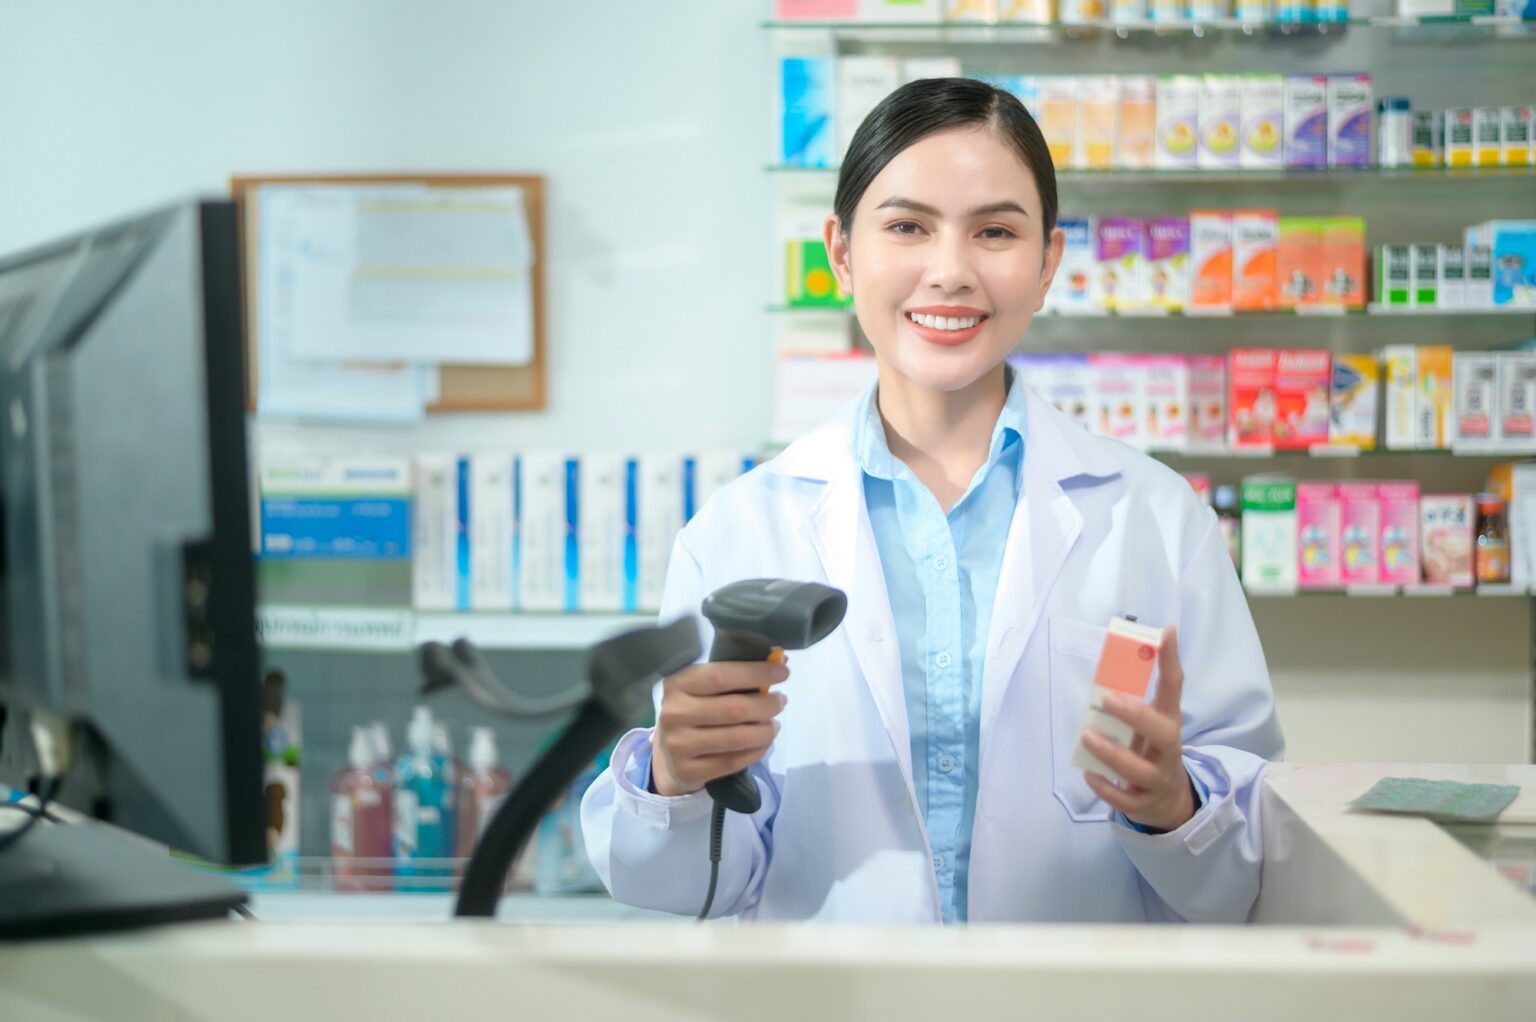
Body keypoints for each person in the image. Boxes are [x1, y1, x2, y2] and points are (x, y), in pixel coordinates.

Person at [581, 77, 1284, 924]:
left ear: (1048, 262)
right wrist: (675, 780)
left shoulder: (1157, 519)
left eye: (995, 231)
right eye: (907, 227)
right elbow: (695, 886)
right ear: (841, 251)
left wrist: (1174, 804)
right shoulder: (737, 533)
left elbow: (1249, 855)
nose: (950, 272)